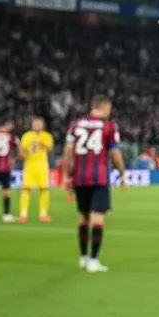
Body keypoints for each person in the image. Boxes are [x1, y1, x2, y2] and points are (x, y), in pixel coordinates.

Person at [61, 95, 126, 273]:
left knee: (83, 217)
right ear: (104, 107)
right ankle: (93, 260)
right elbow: (115, 153)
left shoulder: (75, 125)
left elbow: (68, 150)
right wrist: (122, 172)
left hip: (79, 177)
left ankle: (83, 257)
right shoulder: (109, 126)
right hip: (99, 177)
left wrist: (66, 175)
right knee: (98, 218)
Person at [18, 116, 55, 223]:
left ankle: (43, 214)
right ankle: (23, 214)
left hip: (42, 165)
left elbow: (51, 149)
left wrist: (43, 143)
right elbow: (22, 151)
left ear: (43, 125)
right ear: (32, 125)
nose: (37, 125)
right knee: (26, 189)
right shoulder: (26, 136)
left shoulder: (47, 136)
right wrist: (23, 154)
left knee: (44, 189)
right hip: (29, 165)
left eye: (39, 124)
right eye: (35, 123)